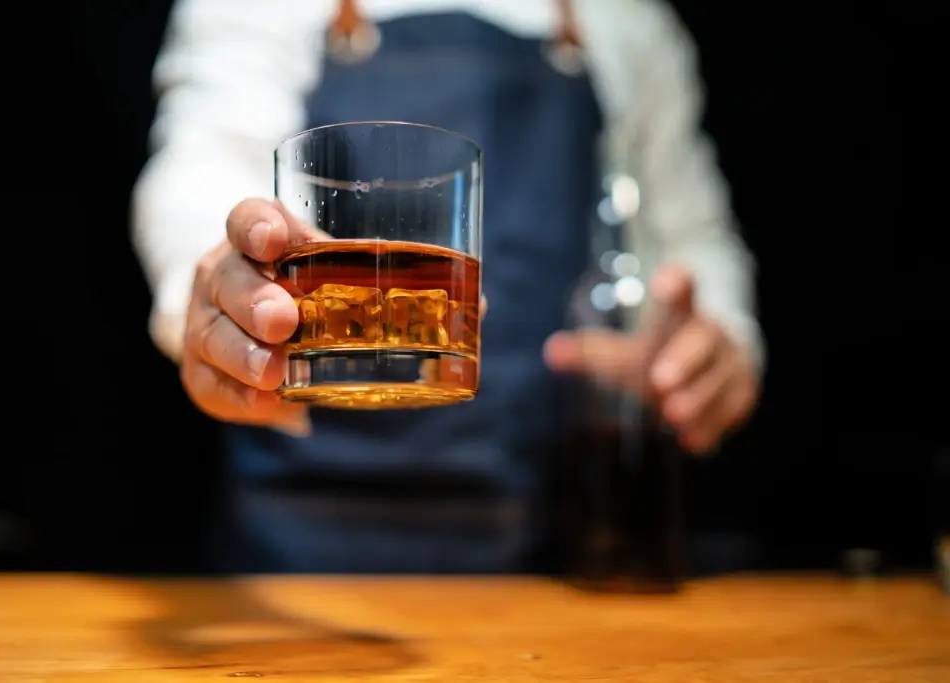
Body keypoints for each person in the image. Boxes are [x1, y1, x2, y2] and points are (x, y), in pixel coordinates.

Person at [132, 0, 763, 573]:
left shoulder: (626, 19)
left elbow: (692, 235)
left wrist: (716, 344)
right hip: (291, 554)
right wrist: (218, 289)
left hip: (546, 543)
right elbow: (201, 168)